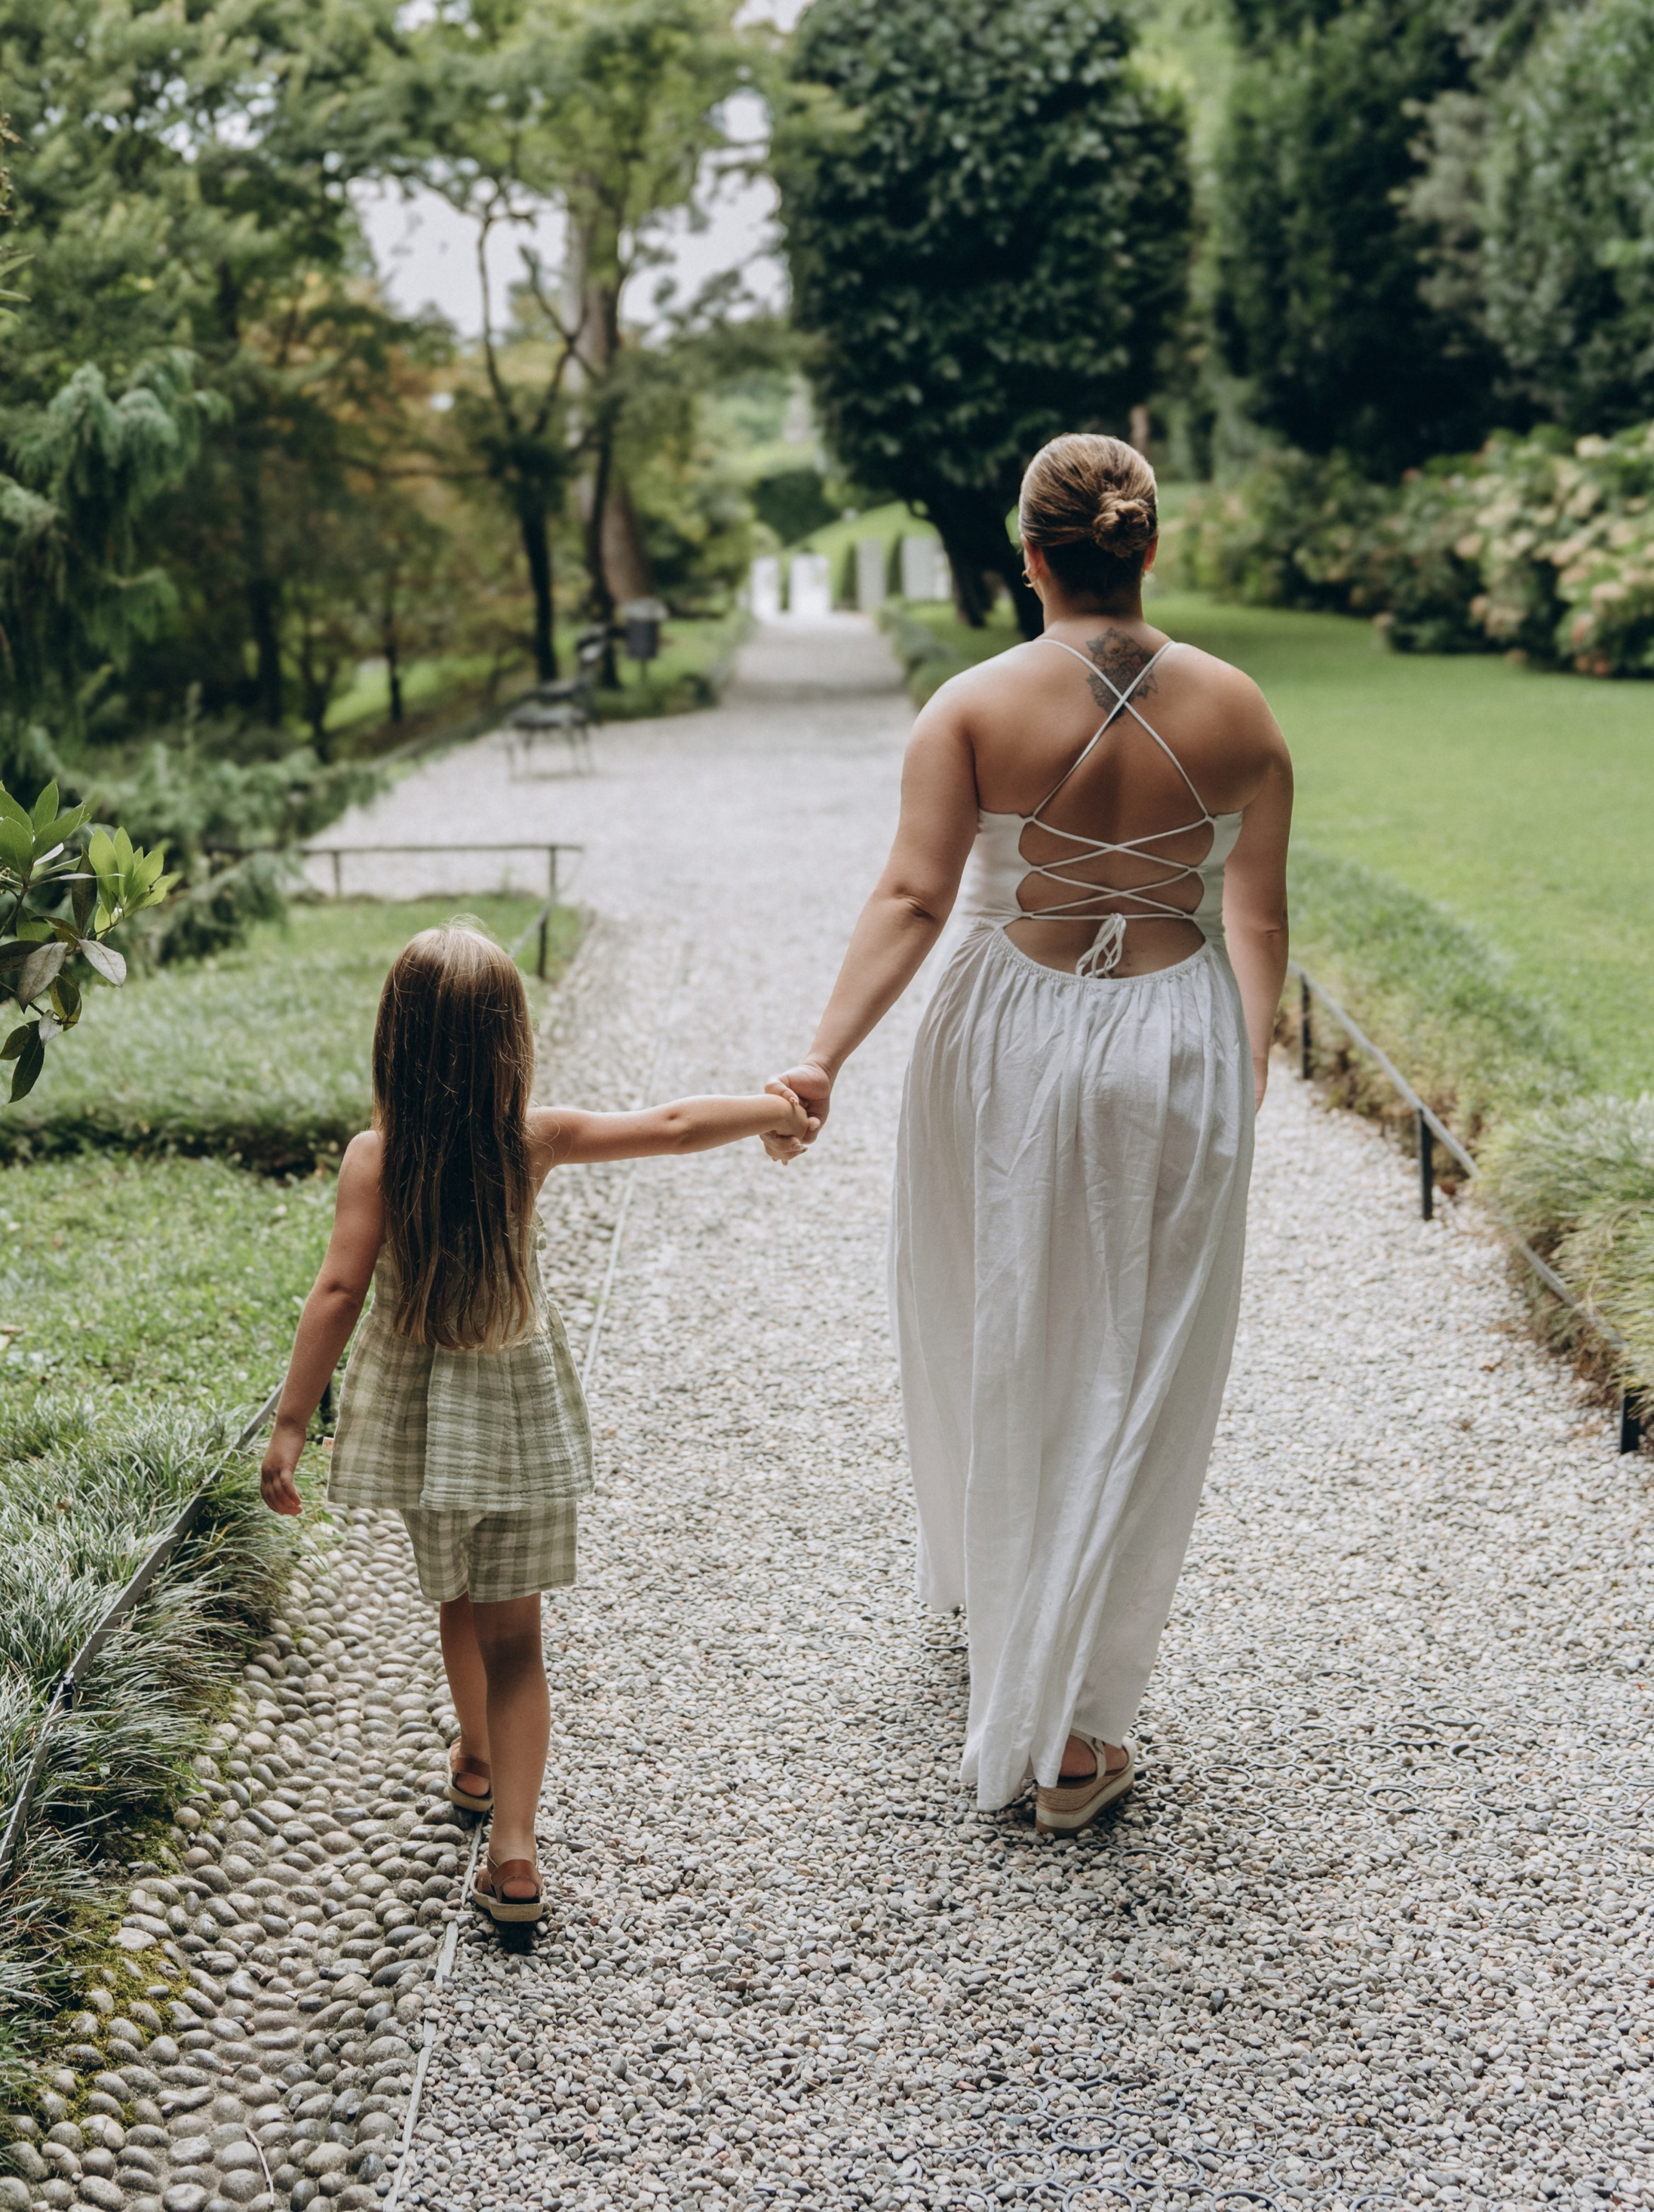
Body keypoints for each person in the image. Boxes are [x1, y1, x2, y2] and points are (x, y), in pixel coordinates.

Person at [766, 435, 1291, 1831]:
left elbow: (913, 902)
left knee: (989, 1315)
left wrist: (819, 1059)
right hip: (1178, 1034)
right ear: (1151, 549)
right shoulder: (1241, 709)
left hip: (1004, 1034)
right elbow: (1257, 921)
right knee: (1144, 1365)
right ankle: (1077, 1727)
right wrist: (1233, 1073)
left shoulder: (973, 704)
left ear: (1031, 555)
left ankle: (1008, 1611)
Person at [259, 923, 815, 1937]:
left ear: (395, 1043)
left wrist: (292, 1425)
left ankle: (473, 1759)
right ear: (511, 1043)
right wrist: (777, 1107)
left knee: (457, 1607)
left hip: (427, 1432)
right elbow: (678, 1123)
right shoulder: (532, 1138)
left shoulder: (376, 1158)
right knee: (521, 1639)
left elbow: (340, 1289)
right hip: (521, 1423)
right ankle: (514, 1855)